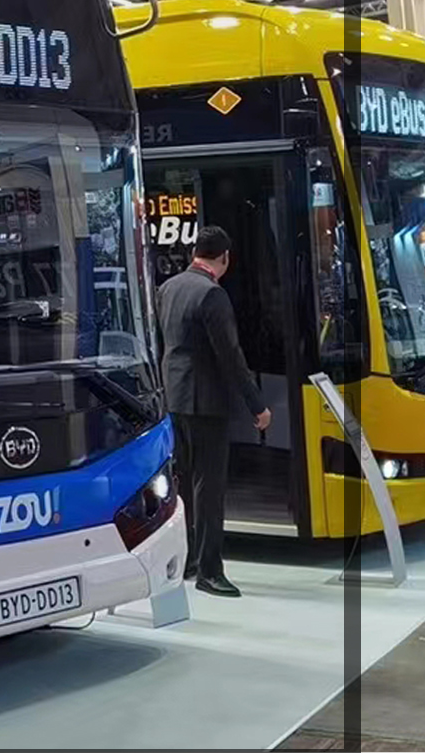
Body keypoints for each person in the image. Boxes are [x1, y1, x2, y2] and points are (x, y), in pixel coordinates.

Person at [157, 224, 270, 598]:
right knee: (210, 487)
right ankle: (210, 570)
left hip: (175, 400)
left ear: (195, 254)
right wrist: (256, 405)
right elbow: (230, 357)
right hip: (206, 403)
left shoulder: (168, 288)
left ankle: (187, 558)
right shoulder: (212, 295)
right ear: (225, 258)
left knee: (183, 484)